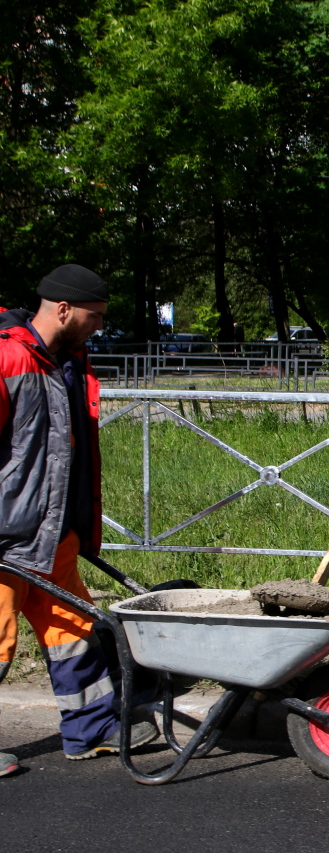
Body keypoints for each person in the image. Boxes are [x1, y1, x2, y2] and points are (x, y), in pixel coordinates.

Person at [0, 265, 157, 777]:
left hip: (52, 536)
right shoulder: (9, 357)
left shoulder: (68, 362)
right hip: (7, 538)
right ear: (63, 309)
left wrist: (80, 528)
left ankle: (90, 732)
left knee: (75, 634)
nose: (99, 327)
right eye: (95, 317)